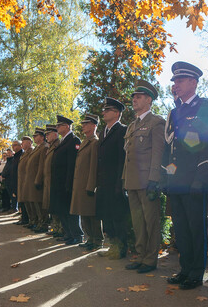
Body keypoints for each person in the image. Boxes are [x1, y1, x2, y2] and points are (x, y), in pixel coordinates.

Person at [162, 62, 208, 289]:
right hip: (177, 181)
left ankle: (197, 272)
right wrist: (168, 177)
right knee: (182, 229)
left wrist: (201, 177)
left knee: (196, 229)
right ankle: (185, 268)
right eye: (174, 81)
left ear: (193, 83)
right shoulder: (175, 111)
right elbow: (171, 150)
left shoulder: (207, 106)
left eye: (180, 80)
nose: (175, 85)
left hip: (196, 180)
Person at [123, 80, 167, 273]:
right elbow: (128, 156)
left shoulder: (156, 122)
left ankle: (150, 259)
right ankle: (140, 255)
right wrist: (125, 180)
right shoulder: (132, 126)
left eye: (138, 97)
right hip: (132, 181)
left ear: (148, 100)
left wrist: (154, 180)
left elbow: (158, 153)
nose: (134, 100)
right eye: (133, 97)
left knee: (151, 222)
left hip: (147, 181)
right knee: (138, 223)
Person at [97, 98, 129, 258]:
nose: (104, 112)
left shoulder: (122, 130)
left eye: (107, 110)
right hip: (103, 183)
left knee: (117, 216)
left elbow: (122, 160)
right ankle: (112, 246)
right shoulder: (103, 132)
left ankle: (121, 247)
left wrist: (120, 184)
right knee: (106, 215)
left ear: (116, 113)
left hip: (115, 182)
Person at [51, 115, 82, 244]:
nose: (57, 128)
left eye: (59, 125)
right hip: (59, 183)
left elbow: (72, 164)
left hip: (66, 182)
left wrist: (69, 183)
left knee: (70, 211)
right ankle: (68, 233)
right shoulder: (63, 141)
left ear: (67, 126)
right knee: (62, 209)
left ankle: (76, 235)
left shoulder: (74, 140)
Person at [71, 113, 101, 250]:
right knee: (84, 213)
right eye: (83, 124)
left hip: (88, 185)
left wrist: (91, 185)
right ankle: (89, 238)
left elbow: (94, 166)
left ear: (94, 126)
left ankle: (97, 240)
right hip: (80, 184)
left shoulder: (95, 143)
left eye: (86, 124)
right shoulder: (85, 142)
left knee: (92, 214)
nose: (83, 126)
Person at [23, 129, 48, 231]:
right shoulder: (37, 148)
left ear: (42, 137)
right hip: (31, 180)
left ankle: (43, 224)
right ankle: (36, 222)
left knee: (39, 203)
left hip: (37, 180)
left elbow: (42, 165)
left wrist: (38, 180)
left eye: (36, 135)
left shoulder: (44, 147)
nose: (34, 137)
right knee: (34, 203)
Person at [41, 124, 63, 236]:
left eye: (48, 134)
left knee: (56, 206)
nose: (46, 137)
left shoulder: (58, 144)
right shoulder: (51, 146)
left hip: (54, 181)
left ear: (55, 134)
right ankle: (55, 227)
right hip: (48, 180)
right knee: (51, 206)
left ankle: (59, 228)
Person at [2, 139, 22, 215]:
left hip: (16, 179)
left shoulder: (19, 155)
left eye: (15, 145)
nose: (13, 147)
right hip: (10, 180)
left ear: (21, 146)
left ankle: (17, 209)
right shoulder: (10, 160)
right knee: (12, 195)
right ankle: (15, 208)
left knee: (16, 196)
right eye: (13, 145)